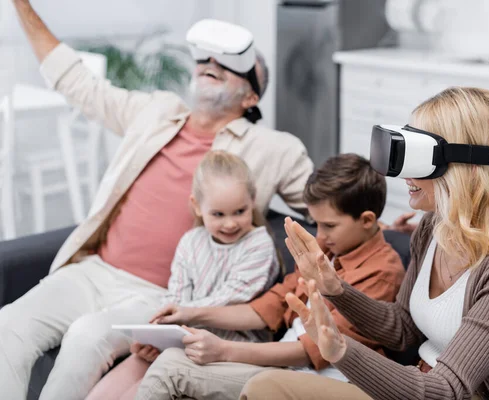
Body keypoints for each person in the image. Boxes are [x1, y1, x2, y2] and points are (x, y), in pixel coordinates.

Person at [1, 2, 313, 400]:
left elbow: (329, 202)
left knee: (85, 335)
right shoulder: (155, 112)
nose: (212, 62)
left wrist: (393, 224)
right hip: (91, 270)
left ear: (250, 96)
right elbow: (76, 80)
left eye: (231, 64)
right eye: (207, 59)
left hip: (159, 295)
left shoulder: (274, 148)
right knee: (8, 324)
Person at [241, 87, 489, 400]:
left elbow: (446, 390)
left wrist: (340, 350)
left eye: (417, 156)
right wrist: (335, 288)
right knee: (265, 387)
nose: (402, 174)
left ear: (465, 168)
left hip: (461, 394)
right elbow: (402, 328)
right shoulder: (433, 226)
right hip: (419, 382)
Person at [132, 153, 406, 400]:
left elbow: (318, 350)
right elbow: (270, 307)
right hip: (284, 366)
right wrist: (188, 313)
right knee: (170, 360)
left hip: (320, 377)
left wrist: (224, 350)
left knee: (171, 369)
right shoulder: (326, 248)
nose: (319, 235)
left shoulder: (381, 271)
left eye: (329, 225)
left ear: (368, 221)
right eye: (316, 224)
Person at [85, 151, 281, 399]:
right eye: (218, 214)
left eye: (239, 211)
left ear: (253, 200)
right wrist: (155, 336)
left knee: (136, 394)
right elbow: (175, 297)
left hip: (230, 347)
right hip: (183, 338)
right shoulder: (191, 242)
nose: (230, 224)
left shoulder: (259, 244)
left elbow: (230, 298)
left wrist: (177, 318)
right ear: (197, 206)